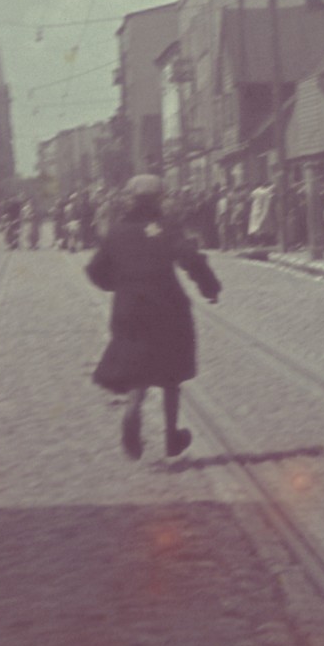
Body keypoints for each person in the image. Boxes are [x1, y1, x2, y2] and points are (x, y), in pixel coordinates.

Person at [86, 175, 221, 460]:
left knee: (138, 367)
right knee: (170, 374)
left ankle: (132, 411)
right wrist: (210, 287)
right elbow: (191, 259)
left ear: (130, 201)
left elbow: (96, 270)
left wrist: (119, 284)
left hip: (130, 309)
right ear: (160, 200)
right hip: (167, 308)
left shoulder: (117, 232)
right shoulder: (167, 228)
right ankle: (172, 436)